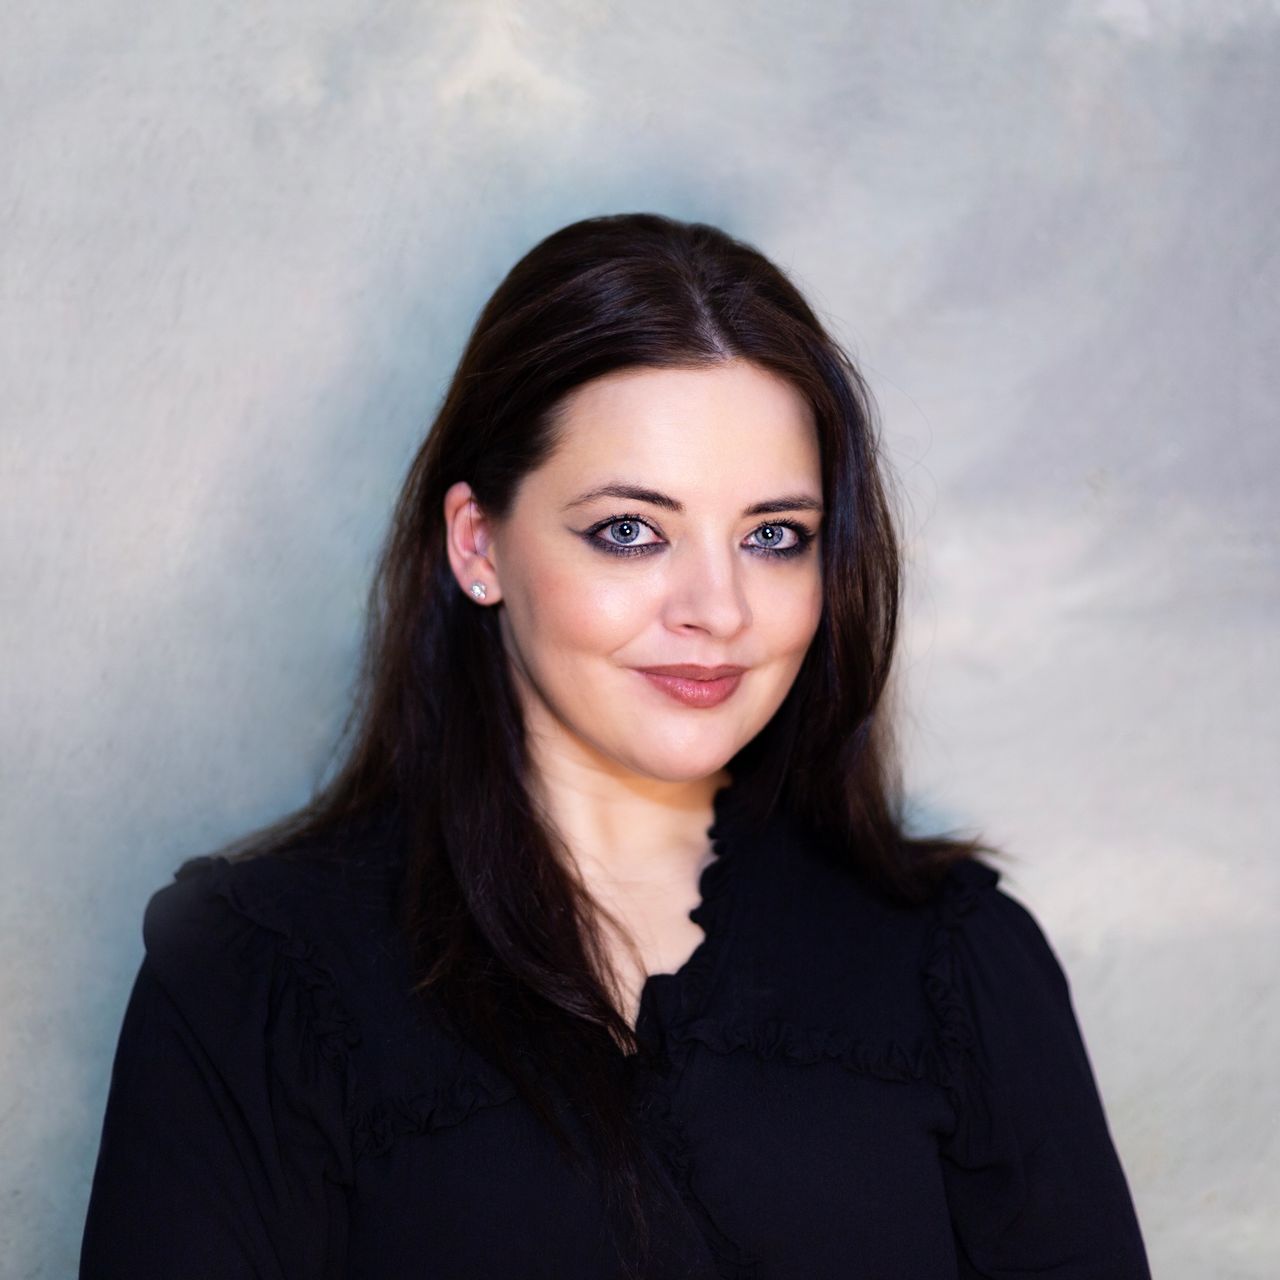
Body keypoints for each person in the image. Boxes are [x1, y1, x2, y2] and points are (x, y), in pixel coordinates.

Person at [79, 212, 1152, 1279]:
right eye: (630, 531)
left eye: (772, 536)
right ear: (476, 544)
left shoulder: (960, 963)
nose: (716, 608)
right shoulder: (250, 976)